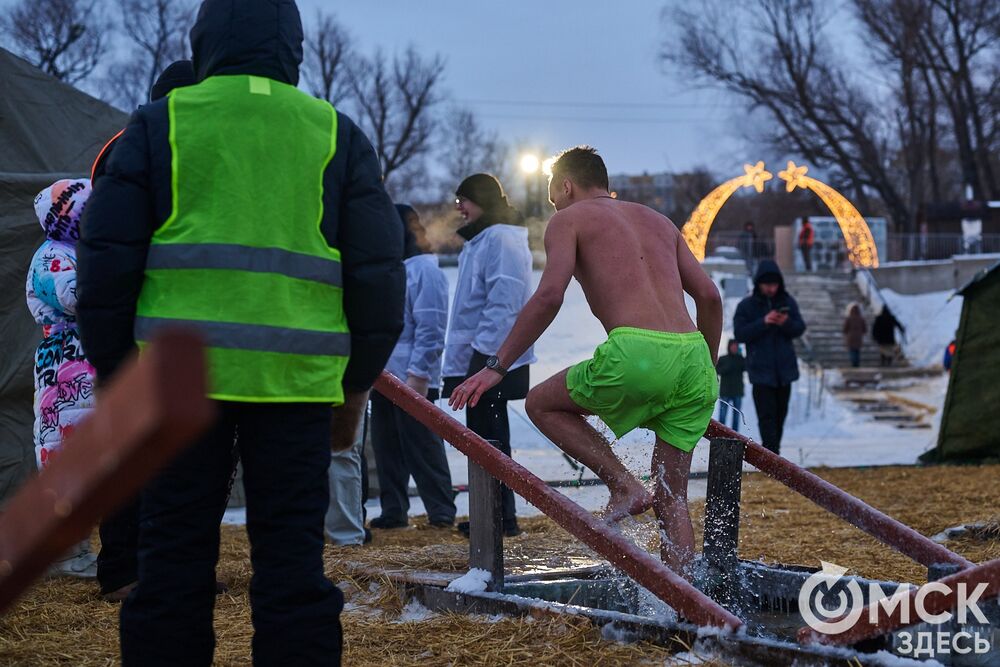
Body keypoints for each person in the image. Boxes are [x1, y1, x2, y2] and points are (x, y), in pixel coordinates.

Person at [76, 1, 405, 664]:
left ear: (204, 44)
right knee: (292, 573)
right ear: (293, 48)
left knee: (168, 565)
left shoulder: (156, 125)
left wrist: (118, 377)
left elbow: (105, 268)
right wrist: (353, 386)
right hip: (295, 390)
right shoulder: (334, 133)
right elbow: (377, 279)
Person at [449, 147, 722, 575]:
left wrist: (496, 365)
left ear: (566, 184)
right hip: (694, 356)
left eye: (554, 194)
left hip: (637, 351)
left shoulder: (568, 219)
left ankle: (623, 485)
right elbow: (708, 296)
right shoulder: (660, 221)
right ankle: (688, 607)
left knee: (541, 402)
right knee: (672, 496)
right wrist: (709, 365)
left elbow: (549, 296)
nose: (554, 204)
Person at [90, 59, 199, 604]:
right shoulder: (129, 149)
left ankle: (168, 572)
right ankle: (120, 573)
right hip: (138, 327)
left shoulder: (162, 146)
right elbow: (110, 249)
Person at [443, 173, 534, 538]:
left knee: (490, 437)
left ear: (480, 198)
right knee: (482, 436)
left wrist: (486, 360)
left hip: (491, 358)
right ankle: (491, 513)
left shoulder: (500, 238)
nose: (459, 208)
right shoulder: (483, 240)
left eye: (462, 199)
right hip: (480, 355)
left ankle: (500, 518)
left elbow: (504, 302)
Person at [26, 178, 98, 579]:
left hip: (86, 363)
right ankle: (65, 554)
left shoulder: (75, 252)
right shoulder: (52, 257)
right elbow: (75, 297)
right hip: (64, 367)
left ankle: (75, 551)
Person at [369, 205, 456, 530]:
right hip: (385, 376)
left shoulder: (425, 271)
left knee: (421, 447)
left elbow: (431, 328)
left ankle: (441, 510)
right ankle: (394, 510)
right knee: (385, 447)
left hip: (412, 378)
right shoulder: (395, 267)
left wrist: (418, 375)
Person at [733, 259, 806, 456]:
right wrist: (764, 322)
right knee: (766, 417)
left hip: (785, 371)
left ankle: (775, 455)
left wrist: (785, 323)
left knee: (780, 416)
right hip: (761, 372)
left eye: (774, 285)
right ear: (759, 284)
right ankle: (771, 456)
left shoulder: (787, 302)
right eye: (767, 285)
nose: (771, 289)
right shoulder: (747, 306)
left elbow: (799, 328)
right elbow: (740, 333)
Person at [715, 339, 745, 431]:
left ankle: (735, 435)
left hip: (737, 391)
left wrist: (741, 357)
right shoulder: (723, 358)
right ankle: (720, 432)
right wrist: (726, 368)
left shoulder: (741, 359)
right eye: (733, 346)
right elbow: (717, 371)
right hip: (725, 391)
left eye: (736, 346)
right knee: (722, 415)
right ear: (729, 347)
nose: (734, 348)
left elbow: (747, 368)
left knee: (736, 416)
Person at [842, 303, 866, 368]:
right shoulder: (861, 318)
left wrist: (846, 332)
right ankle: (857, 362)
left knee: (852, 350)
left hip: (851, 337)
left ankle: (854, 362)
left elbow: (845, 328)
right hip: (858, 337)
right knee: (857, 350)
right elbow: (864, 328)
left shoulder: (849, 318)